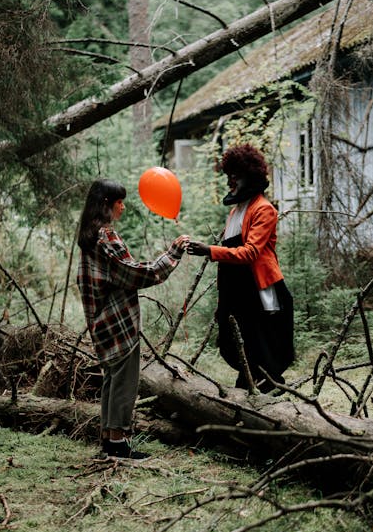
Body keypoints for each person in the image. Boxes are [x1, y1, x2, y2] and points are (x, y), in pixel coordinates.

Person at [77, 178, 189, 458]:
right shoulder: (106, 236)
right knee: (124, 383)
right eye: (119, 202)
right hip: (117, 321)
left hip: (101, 320)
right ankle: (117, 445)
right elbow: (136, 274)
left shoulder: (90, 237)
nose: (123, 208)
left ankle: (109, 439)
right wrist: (172, 254)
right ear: (106, 205)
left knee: (111, 380)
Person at [187, 143, 294, 394]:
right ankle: (249, 387)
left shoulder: (264, 209)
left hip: (259, 289)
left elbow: (249, 253)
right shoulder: (235, 212)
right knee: (235, 342)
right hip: (236, 291)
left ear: (250, 175)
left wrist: (209, 250)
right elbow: (231, 259)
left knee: (261, 343)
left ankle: (266, 393)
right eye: (228, 176)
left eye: (234, 176)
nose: (230, 182)